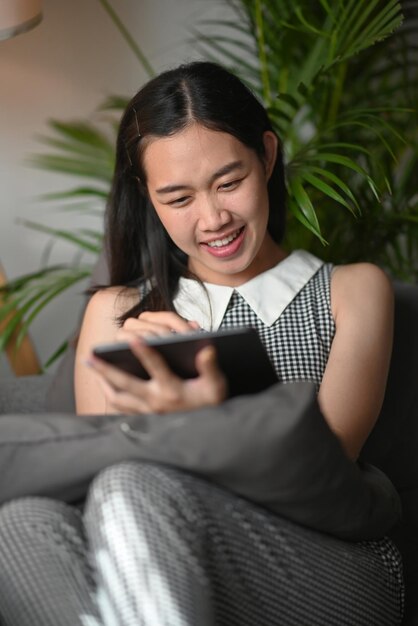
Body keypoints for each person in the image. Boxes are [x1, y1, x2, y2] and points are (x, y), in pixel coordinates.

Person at [0, 61, 404, 625]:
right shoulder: (116, 313)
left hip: (326, 560)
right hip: (158, 549)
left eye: (229, 182)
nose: (213, 218)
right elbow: (89, 479)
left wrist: (200, 419)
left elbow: (329, 471)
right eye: (178, 197)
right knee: (21, 524)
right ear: (148, 196)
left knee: (135, 480)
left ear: (266, 155)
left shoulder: (351, 290)